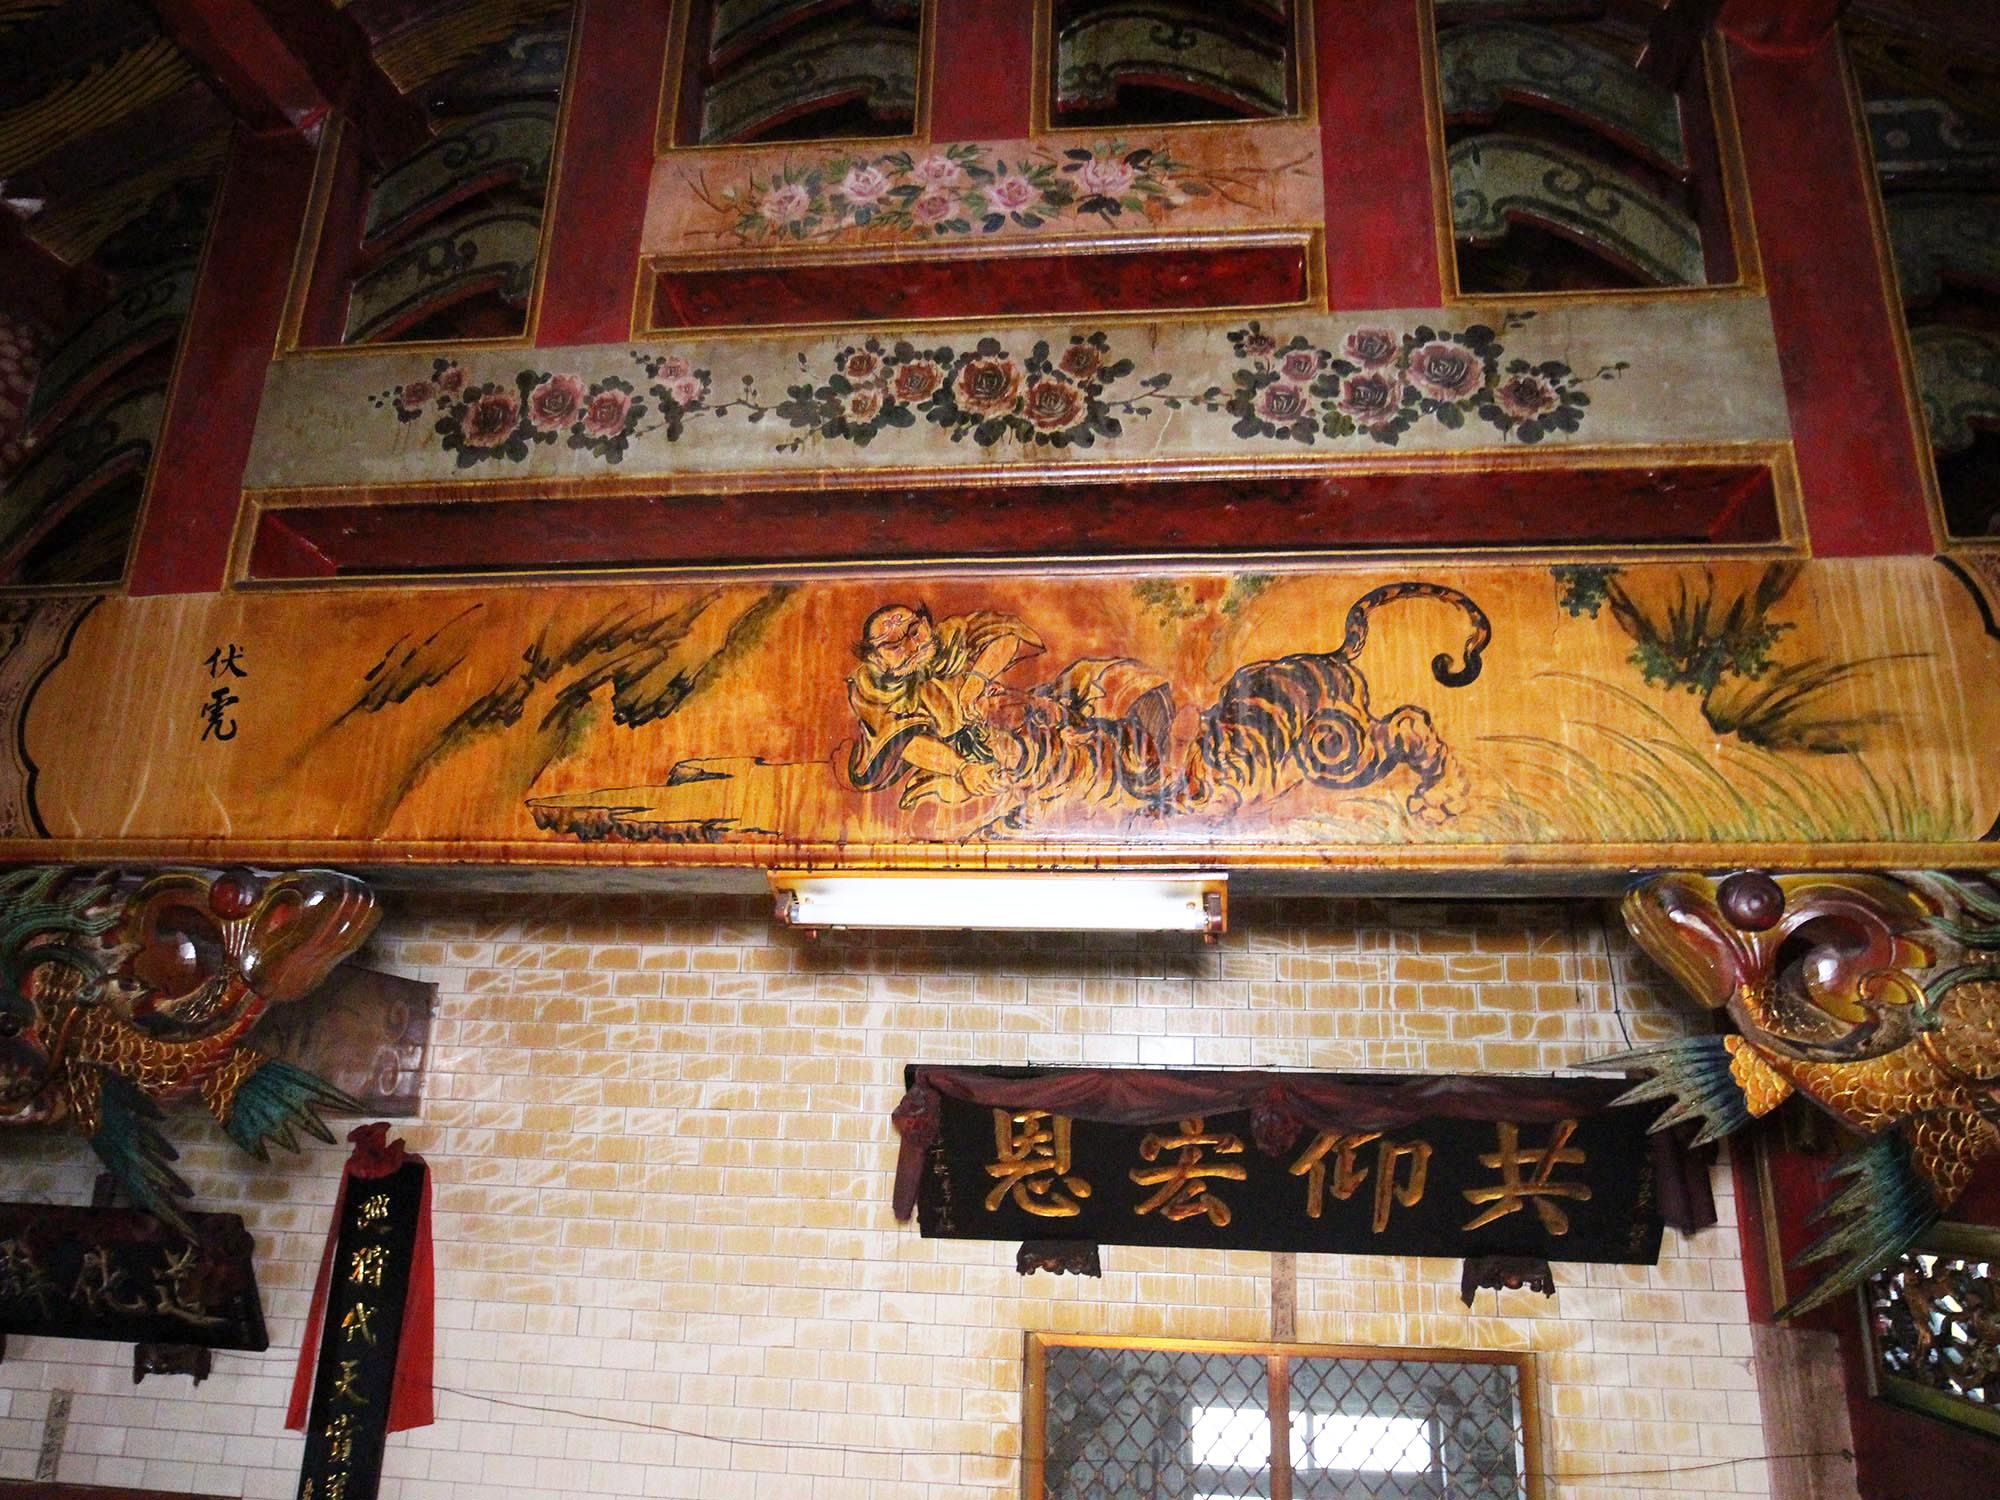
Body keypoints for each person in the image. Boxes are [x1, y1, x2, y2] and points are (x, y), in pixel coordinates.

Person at [843, 603, 1042, 806]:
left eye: (914, 632)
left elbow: (1008, 634)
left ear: (925, 624)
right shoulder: (868, 686)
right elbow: (904, 742)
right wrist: (962, 768)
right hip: (930, 756)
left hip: (981, 728)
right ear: (875, 657)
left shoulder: (950, 634)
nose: (912, 647)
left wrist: (975, 682)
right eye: (894, 647)